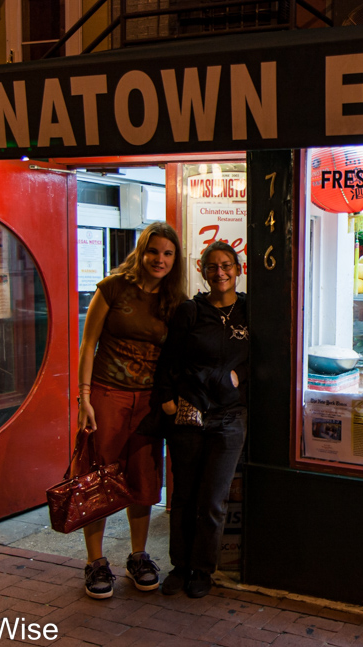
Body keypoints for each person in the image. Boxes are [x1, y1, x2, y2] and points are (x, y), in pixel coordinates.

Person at [76, 222, 185, 599]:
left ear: (175, 259)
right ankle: (95, 562)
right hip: (107, 394)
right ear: (141, 252)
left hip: (148, 402)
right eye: (154, 251)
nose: (160, 259)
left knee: (143, 479)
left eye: (168, 253)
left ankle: (138, 556)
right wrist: (84, 397)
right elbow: (88, 342)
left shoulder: (174, 299)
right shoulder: (114, 288)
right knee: (99, 477)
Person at [154, 241, 249, 598]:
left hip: (229, 419)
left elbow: (270, 354)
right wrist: (167, 403)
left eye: (226, 266)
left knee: (213, 500)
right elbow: (169, 362)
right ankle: (180, 566)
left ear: (238, 270)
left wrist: (241, 375)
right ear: (202, 271)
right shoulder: (190, 311)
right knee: (184, 498)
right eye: (212, 267)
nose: (220, 272)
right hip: (188, 414)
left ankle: (202, 570)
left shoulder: (249, 311)